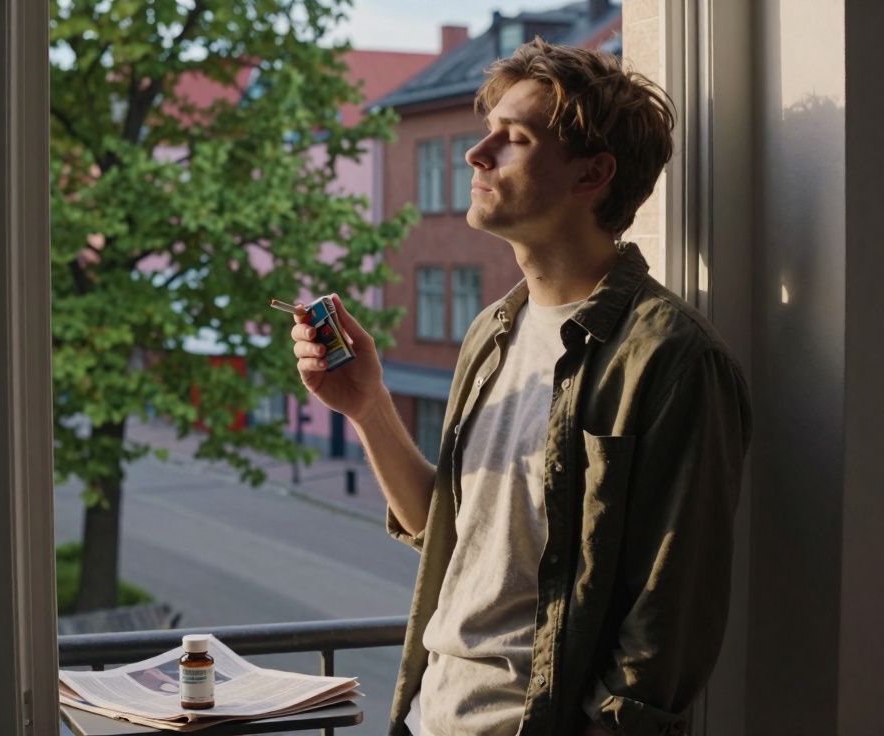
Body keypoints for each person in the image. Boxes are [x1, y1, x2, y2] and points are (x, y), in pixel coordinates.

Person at [290, 39, 751, 736]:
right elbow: (455, 537)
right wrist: (367, 405)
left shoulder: (671, 358)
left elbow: (667, 628)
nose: (477, 155)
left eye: (515, 139)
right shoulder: (490, 333)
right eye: (487, 134)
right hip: (426, 718)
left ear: (592, 174)